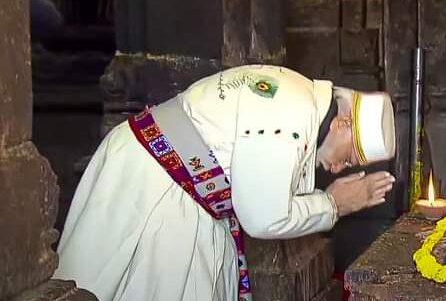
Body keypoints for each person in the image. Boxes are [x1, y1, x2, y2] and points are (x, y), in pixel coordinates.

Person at [53, 64, 397, 301]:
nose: (336, 167)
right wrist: (334, 204)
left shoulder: (299, 96)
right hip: (156, 184)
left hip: (186, 189)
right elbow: (263, 217)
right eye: (348, 158)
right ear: (341, 125)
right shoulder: (290, 116)